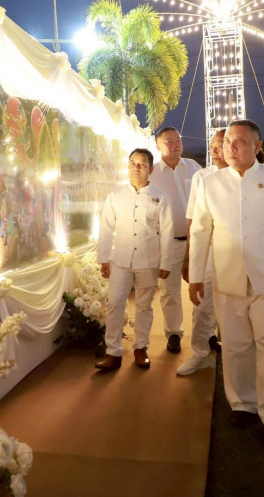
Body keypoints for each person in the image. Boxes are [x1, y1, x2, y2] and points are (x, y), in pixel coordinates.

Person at [189, 120, 264, 444]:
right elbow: (200, 232)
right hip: (227, 278)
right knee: (234, 345)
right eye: (227, 140)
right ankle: (242, 403)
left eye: (240, 141)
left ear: (257, 147)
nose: (230, 146)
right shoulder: (210, 183)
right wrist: (196, 276)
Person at [96, 149, 173, 371]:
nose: (136, 168)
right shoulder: (116, 196)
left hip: (148, 261)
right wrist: (104, 258)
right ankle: (113, 352)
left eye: (141, 164)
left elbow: (167, 232)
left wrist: (166, 262)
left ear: (151, 169)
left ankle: (141, 348)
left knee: (144, 306)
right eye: (132, 163)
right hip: (120, 260)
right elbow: (106, 228)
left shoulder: (160, 197)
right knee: (114, 304)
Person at [177, 129, 227, 375]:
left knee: (232, 305)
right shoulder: (202, 177)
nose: (214, 151)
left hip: (235, 253)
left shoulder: (246, 176)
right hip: (207, 250)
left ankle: (233, 350)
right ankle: (199, 353)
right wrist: (188, 257)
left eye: (219, 145)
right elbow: (193, 220)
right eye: (212, 145)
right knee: (201, 304)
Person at [149, 127, 201, 354]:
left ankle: (206, 333)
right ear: (158, 146)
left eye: (178, 140)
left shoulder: (194, 167)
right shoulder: (152, 173)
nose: (175, 145)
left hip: (197, 240)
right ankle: (173, 333)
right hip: (168, 242)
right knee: (169, 291)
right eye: (169, 141)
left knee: (202, 287)